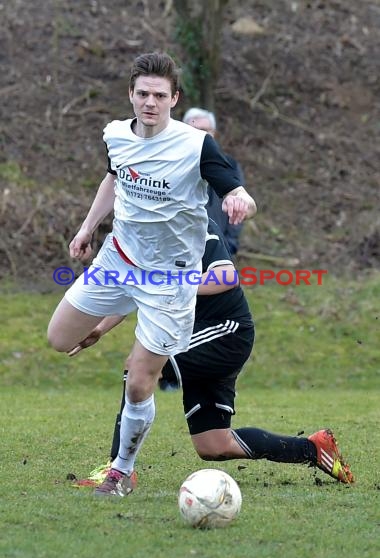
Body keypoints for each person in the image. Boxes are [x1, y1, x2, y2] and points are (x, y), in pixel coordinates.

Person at [47, 52, 256, 497]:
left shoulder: (196, 146)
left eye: (159, 95)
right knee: (59, 338)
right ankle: (116, 309)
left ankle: (122, 471)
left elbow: (237, 192)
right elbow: (113, 179)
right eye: (142, 93)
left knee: (140, 379)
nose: (149, 102)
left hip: (170, 281)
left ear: (174, 99)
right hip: (117, 262)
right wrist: (87, 228)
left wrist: (240, 202)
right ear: (131, 94)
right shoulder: (116, 135)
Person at [70, 219, 354, 493]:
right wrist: (99, 328)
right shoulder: (147, 238)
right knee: (213, 445)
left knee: (138, 365)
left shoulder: (195, 225)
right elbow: (138, 291)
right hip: (194, 334)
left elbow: (226, 276)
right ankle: (313, 449)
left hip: (226, 332)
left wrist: (172, 285)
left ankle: (117, 470)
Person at [182, 107, 245, 256]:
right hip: (177, 250)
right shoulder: (170, 163)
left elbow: (239, 206)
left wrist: (230, 244)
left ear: (214, 134)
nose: (200, 135)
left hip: (219, 249)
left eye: (205, 130)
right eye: (194, 130)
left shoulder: (229, 166)